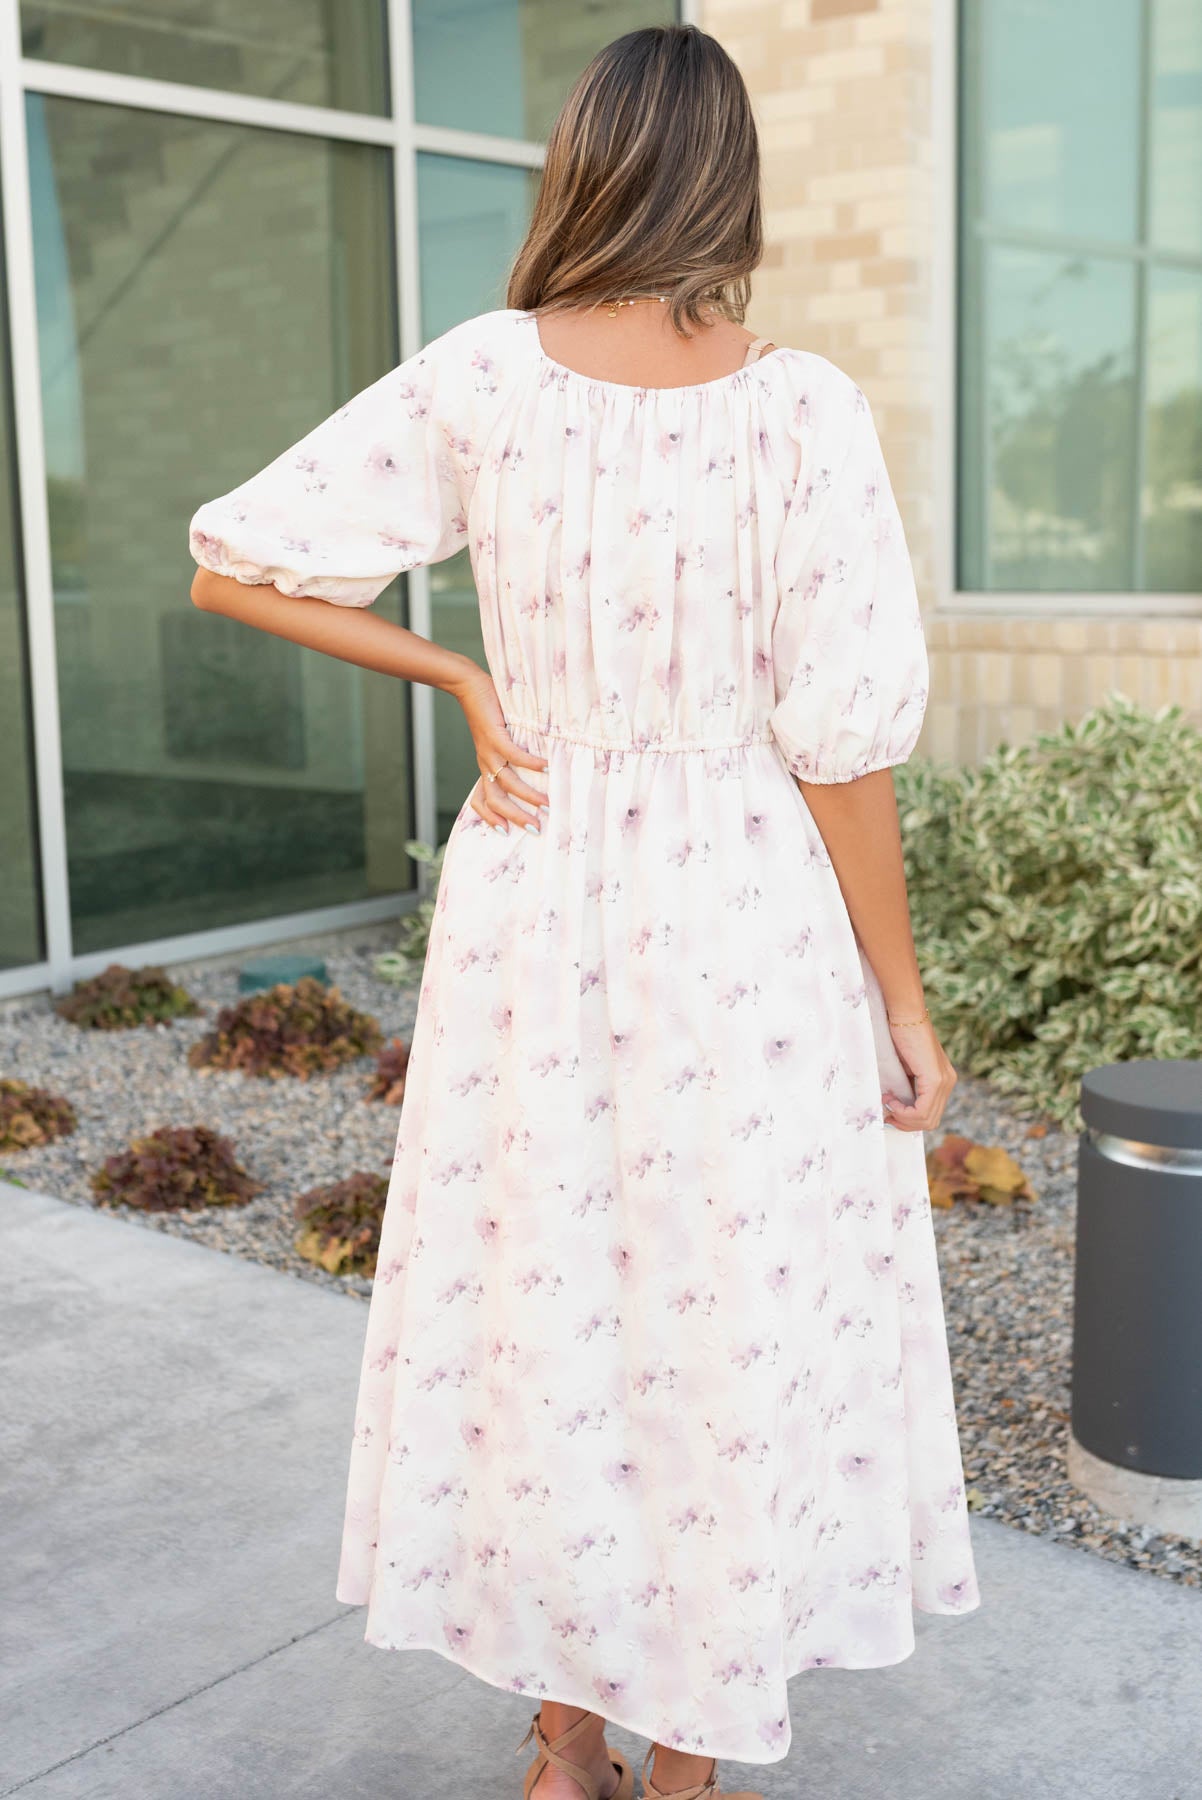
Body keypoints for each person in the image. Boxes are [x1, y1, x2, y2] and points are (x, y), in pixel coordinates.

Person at [187, 23, 981, 1800]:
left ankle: (560, 1746)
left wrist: (456, 673)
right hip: (744, 921)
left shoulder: (481, 378)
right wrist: (902, 1000)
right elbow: (844, 751)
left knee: (539, 1301)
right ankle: (684, 1764)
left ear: (582, 168)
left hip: (534, 895)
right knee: (727, 1312)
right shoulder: (800, 409)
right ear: (734, 182)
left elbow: (229, 561)